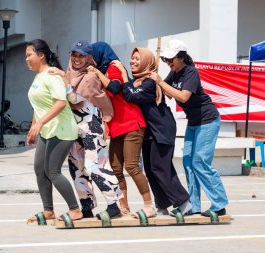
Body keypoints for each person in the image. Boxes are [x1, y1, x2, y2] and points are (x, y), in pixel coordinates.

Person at [149, 39, 228, 217]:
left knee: (200, 163)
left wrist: (161, 82)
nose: (168, 63)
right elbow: (166, 93)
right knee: (188, 164)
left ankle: (220, 204)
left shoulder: (190, 72)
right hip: (193, 123)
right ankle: (193, 205)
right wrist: (152, 82)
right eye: (165, 60)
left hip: (207, 120)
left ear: (182, 57)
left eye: (171, 59)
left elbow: (183, 97)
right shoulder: (174, 73)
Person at [48, 40, 122, 219]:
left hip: (91, 126)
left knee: (94, 165)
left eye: (81, 55)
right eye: (74, 54)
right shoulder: (69, 74)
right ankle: (86, 206)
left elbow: (74, 99)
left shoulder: (89, 77)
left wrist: (64, 80)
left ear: (89, 57)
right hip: (75, 128)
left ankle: (114, 205)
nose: (77, 59)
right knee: (77, 167)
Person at [117, 47, 191, 216]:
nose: (133, 62)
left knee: (161, 168)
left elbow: (130, 95)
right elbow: (129, 89)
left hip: (162, 129)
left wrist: (122, 75)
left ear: (146, 62)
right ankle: (162, 207)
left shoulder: (150, 82)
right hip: (149, 132)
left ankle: (185, 203)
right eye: (132, 58)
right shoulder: (137, 81)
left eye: (137, 59)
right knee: (151, 170)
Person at [89, 42, 156, 218]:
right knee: (116, 168)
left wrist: (96, 73)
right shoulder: (103, 71)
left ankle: (149, 206)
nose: (90, 59)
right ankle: (123, 206)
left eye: (91, 55)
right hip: (117, 126)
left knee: (132, 166)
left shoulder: (113, 66)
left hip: (131, 123)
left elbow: (115, 88)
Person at [25, 39, 82, 224]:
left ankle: (75, 210)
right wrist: (33, 127)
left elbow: (60, 102)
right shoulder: (38, 77)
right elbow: (39, 105)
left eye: (29, 55)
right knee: (39, 169)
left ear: (41, 55)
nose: (26, 59)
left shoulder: (51, 76)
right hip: (46, 129)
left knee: (53, 171)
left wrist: (39, 123)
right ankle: (48, 210)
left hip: (62, 128)